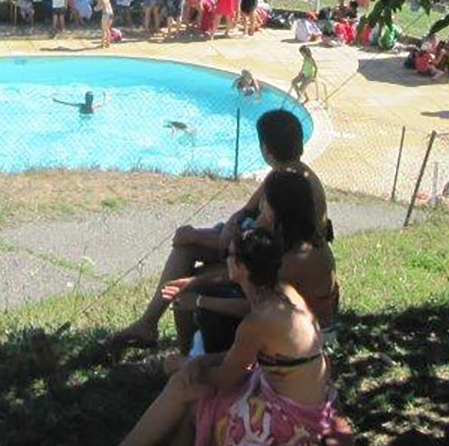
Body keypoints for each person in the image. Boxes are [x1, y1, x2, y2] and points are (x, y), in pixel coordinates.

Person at [64, 226, 334, 446]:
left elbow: (225, 378)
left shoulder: (257, 322)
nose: (224, 260)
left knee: (194, 405)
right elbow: (244, 359)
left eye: (228, 256)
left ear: (239, 267)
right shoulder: (283, 293)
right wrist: (198, 363)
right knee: (187, 385)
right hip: (301, 400)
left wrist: (185, 365)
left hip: (293, 423)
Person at [112, 108, 329, 348]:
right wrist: (230, 225)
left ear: (265, 149)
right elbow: (247, 211)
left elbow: (252, 247)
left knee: (187, 266)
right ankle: (149, 326)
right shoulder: (288, 174)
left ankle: (184, 357)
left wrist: (202, 239)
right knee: (186, 249)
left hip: (265, 265)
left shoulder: (288, 188)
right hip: (259, 256)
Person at [174, 167, 340, 353]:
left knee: (211, 313)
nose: (261, 206)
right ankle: (189, 357)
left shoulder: (298, 257)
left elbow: (257, 307)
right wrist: (196, 281)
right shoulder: (293, 236)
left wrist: (199, 301)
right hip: (290, 320)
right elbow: (251, 274)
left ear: (279, 209)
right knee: (194, 289)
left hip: (310, 340)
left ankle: (201, 366)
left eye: (265, 201)